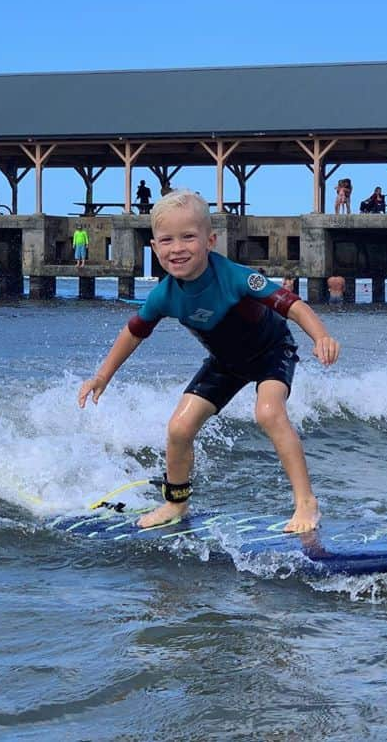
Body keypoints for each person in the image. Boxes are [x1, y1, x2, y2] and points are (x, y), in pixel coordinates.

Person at [77, 190, 339, 533]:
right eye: (167, 240)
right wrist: (102, 377)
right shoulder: (164, 296)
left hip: (272, 350)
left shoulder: (234, 276)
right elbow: (133, 333)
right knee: (178, 428)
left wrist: (320, 335)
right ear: (154, 248)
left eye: (188, 237)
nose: (177, 248)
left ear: (210, 240)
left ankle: (306, 503)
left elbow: (291, 305)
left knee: (269, 412)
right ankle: (176, 503)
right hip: (225, 361)